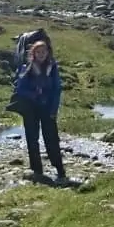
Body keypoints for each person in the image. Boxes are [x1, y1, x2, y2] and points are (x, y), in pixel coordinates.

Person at [11, 40, 66, 184]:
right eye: (38, 52)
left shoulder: (52, 68)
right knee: (32, 138)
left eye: (44, 51)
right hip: (30, 109)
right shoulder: (27, 68)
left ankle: (60, 171)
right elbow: (20, 90)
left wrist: (54, 109)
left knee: (52, 139)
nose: (41, 54)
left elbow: (57, 90)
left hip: (48, 108)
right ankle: (37, 171)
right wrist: (34, 95)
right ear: (33, 53)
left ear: (48, 53)